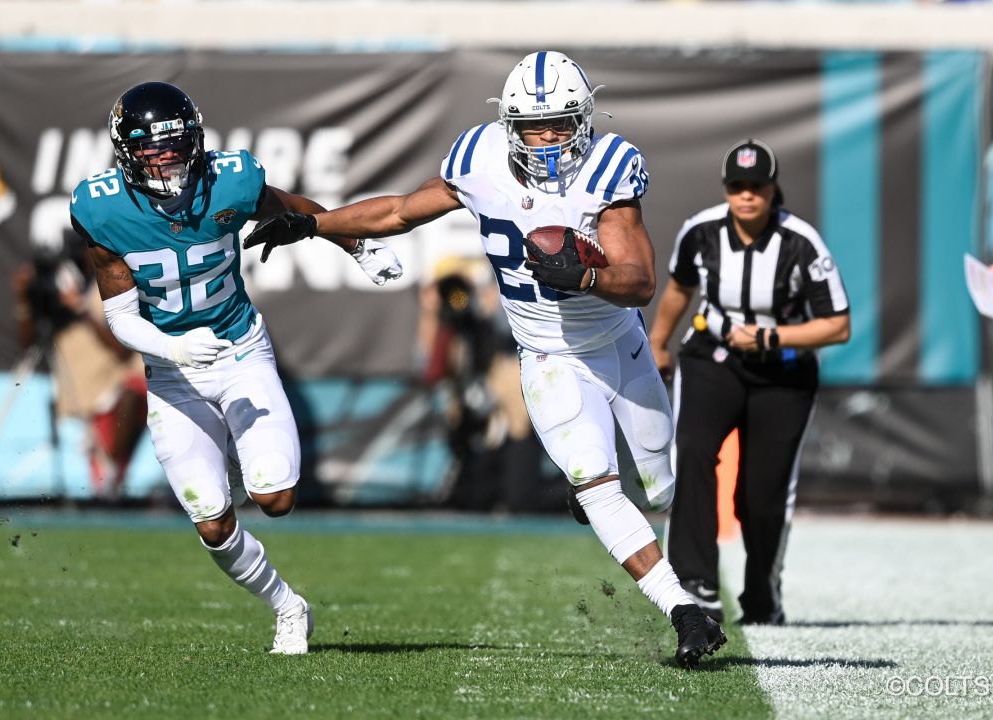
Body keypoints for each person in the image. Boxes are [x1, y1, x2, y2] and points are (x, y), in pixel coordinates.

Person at [245, 51, 727, 668]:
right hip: (548, 355)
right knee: (593, 478)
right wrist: (314, 226)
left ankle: (623, 516)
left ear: (584, 119)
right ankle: (683, 611)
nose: (549, 138)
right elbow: (398, 210)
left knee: (662, 487)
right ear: (509, 125)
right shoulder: (478, 160)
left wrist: (581, 276)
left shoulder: (608, 167)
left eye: (561, 123)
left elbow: (638, 281)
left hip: (620, 345)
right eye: (535, 125)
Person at [70, 81, 404, 655]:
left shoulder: (231, 180)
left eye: (177, 144)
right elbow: (120, 316)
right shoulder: (101, 210)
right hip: (172, 372)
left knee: (276, 496)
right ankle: (288, 607)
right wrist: (171, 350)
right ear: (127, 151)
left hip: (240, 349)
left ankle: (249, 458)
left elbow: (298, 211)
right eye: (153, 148)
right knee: (212, 524)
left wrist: (360, 248)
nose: (168, 158)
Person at [647, 139, 851, 625]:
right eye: (737, 186)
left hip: (783, 372)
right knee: (693, 451)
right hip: (712, 357)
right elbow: (679, 287)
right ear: (726, 189)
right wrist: (658, 341)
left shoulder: (802, 242)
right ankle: (695, 581)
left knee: (761, 492)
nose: (746, 195)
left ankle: (763, 593)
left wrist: (770, 337)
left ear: (772, 187)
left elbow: (838, 324)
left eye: (756, 186)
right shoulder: (700, 231)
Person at [11, 243, 148, 502]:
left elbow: (121, 350)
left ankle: (111, 479)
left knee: (133, 399)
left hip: (115, 381)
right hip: (84, 387)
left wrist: (80, 308)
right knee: (105, 466)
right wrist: (22, 298)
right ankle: (108, 483)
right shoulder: (64, 289)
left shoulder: (107, 288)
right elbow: (27, 343)